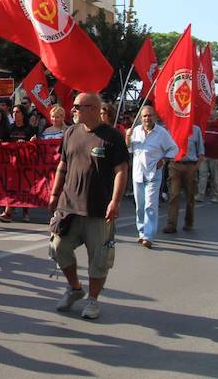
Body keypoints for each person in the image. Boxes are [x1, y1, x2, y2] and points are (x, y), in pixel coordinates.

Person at [47, 93, 128, 320]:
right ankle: (75, 288)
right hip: (69, 206)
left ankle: (92, 300)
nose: (72, 110)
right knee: (58, 248)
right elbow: (63, 164)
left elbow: (121, 169)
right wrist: (54, 193)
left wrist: (116, 201)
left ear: (93, 108)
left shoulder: (112, 137)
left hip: (98, 210)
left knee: (99, 259)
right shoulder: (71, 132)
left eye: (77, 106)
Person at [127, 105, 177, 248]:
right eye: (144, 116)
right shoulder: (135, 131)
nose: (147, 118)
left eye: (149, 115)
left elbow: (173, 148)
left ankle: (148, 236)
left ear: (155, 117)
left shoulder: (161, 133)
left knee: (150, 204)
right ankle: (142, 232)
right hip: (138, 174)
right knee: (140, 205)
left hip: (153, 173)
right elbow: (128, 148)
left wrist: (165, 159)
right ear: (141, 118)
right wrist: (127, 137)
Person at [0, 104, 36, 223]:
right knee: (12, 188)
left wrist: (29, 142)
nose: (14, 114)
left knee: (24, 188)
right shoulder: (9, 128)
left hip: (25, 163)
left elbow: (35, 145)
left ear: (23, 114)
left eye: (17, 112)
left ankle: (24, 212)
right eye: (13, 112)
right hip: (11, 164)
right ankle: (8, 213)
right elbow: (2, 140)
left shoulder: (30, 129)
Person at [163, 121, 203, 234]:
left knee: (190, 195)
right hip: (175, 165)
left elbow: (201, 151)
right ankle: (171, 224)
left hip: (190, 165)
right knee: (174, 194)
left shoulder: (196, 129)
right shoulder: (171, 128)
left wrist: (196, 167)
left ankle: (189, 222)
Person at [198, 109, 218, 203]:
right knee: (202, 175)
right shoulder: (204, 125)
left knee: (215, 177)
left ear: (216, 116)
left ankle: (214, 196)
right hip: (204, 155)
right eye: (209, 115)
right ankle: (200, 195)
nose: (210, 117)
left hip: (216, 156)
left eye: (212, 116)